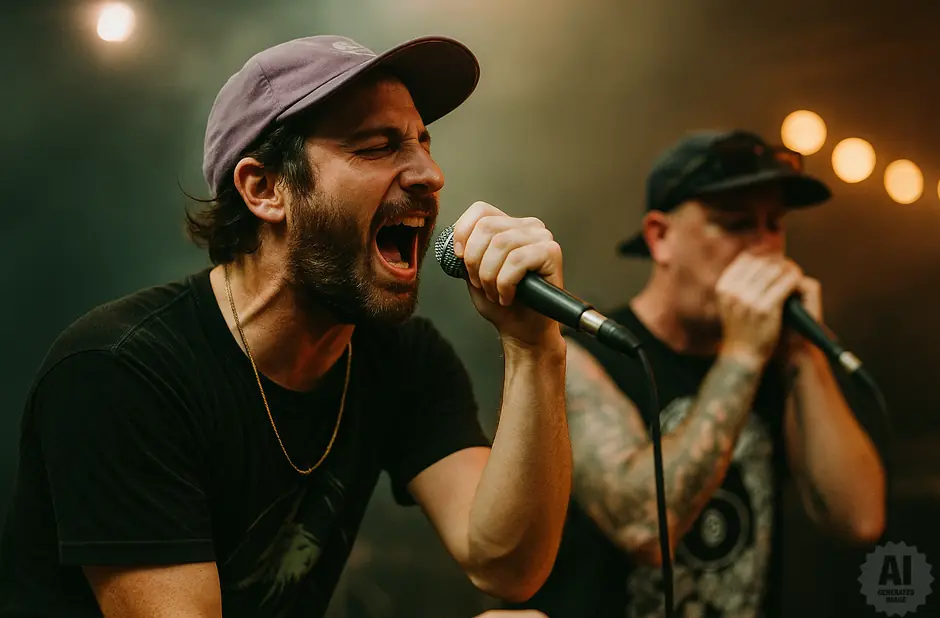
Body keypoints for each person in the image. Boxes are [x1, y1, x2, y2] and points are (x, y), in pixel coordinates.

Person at [0, 35, 572, 618]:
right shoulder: (119, 372)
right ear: (265, 188)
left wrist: (533, 346)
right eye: (378, 146)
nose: (430, 174)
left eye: (424, 142)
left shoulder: (400, 356)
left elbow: (507, 565)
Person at [507, 130, 889, 617]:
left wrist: (802, 353)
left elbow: (859, 519)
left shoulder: (777, 361)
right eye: (736, 224)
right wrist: (743, 356)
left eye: (774, 224)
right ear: (660, 237)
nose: (764, 248)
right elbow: (644, 527)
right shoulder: (583, 356)